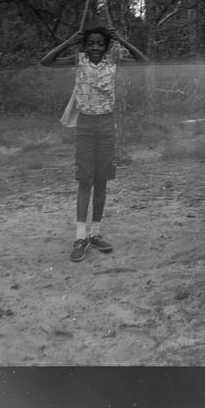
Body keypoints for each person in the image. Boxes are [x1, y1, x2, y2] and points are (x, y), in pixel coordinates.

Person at [40, 23, 149, 262]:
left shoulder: (114, 61)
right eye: (91, 44)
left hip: (107, 125)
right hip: (86, 126)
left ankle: (96, 233)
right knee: (85, 180)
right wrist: (69, 42)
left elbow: (145, 62)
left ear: (106, 46)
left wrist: (122, 39)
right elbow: (45, 62)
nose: (95, 48)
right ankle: (80, 238)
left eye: (100, 44)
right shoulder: (78, 60)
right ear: (85, 46)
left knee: (101, 181)